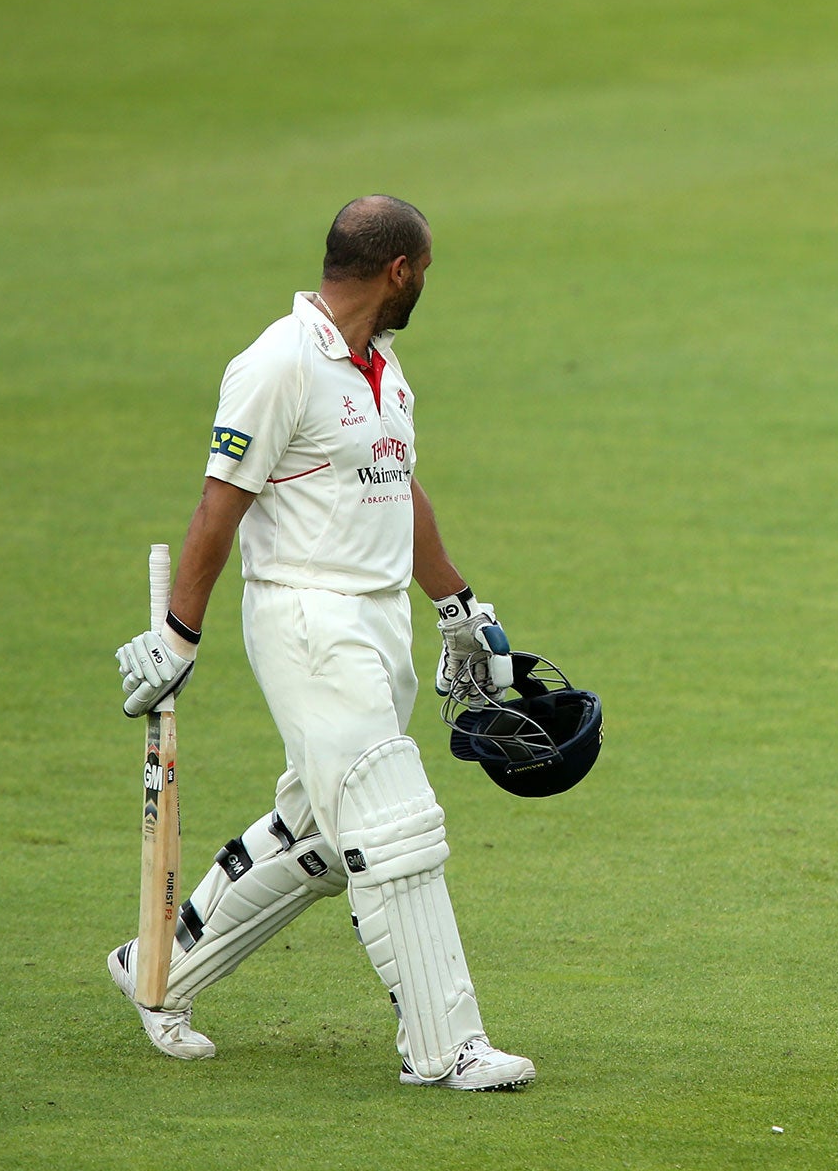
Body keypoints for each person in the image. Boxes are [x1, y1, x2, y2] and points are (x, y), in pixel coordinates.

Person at [110, 195, 535, 1090]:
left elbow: (398, 487)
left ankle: (158, 967)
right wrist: (179, 638)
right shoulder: (277, 364)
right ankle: (445, 1045)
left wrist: (455, 603)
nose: (427, 284)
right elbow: (217, 507)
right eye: (426, 270)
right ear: (399, 270)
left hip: (378, 622)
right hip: (308, 619)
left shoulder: (382, 363)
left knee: (316, 833)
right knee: (393, 825)